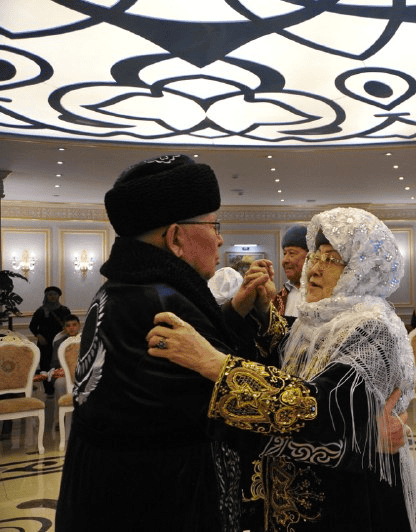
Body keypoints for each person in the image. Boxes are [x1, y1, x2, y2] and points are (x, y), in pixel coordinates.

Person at [146, 207, 416, 532]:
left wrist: (213, 362)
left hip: (347, 501)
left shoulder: (372, 329)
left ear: (361, 269)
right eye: (316, 257)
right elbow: (290, 357)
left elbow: (316, 405)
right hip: (295, 499)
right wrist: (261, 311)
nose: (315, 268)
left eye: (332, 260)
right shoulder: (321, 319)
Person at [56, 154, 272, 532]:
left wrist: (237, 311)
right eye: (213, 225)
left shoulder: (125, 289)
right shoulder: (161, 306)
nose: (220, 238)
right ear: (175, 238)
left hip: (105, 494)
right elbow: (236, 409)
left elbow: (196, 353)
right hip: (157, 503)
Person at [29, 286, 71, 394]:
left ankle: (62, 389)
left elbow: (69, 325)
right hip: (45, 343)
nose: (52, 296)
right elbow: (32, 326)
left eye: (55, 294)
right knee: (45, 366)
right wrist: (38, 335)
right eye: (50, 294)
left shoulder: (65, 310)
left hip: (60, 342)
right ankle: (49, 391)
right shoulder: (41, 311)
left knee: (61, 365)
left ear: (59, 296)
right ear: (46, 296)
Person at [271, 224, 308, 321]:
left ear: (310, 257)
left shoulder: (324, 295)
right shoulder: (279, 299)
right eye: (284, 254)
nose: (285, 260)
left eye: (292, 253)